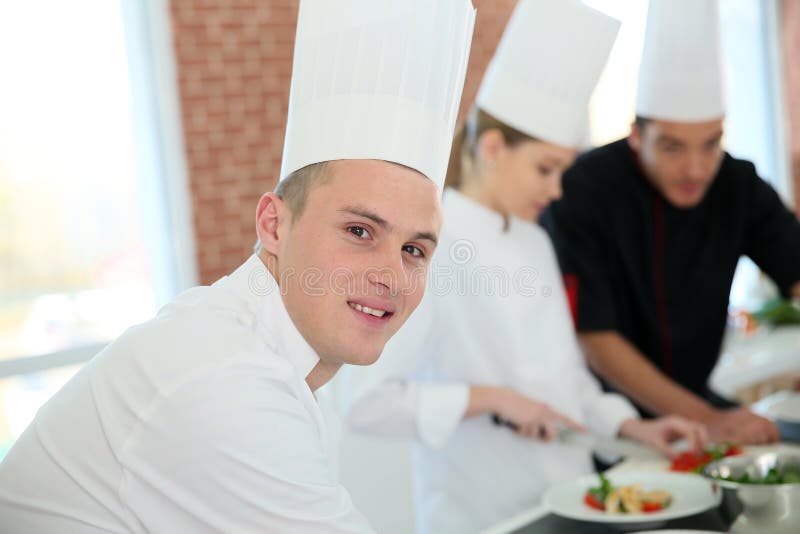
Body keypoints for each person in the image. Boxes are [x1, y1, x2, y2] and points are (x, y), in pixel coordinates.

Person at [0, 1, 476, 531]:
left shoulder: (274, 359)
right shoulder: (227, 376)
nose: (391, 275)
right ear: (273, 225)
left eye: (415, 250)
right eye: (360, 232)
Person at [346, 2, 706, 533]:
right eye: (546, 168)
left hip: (571, 501)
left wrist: (632, 427)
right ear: (493, 148)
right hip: (482, 518)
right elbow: (366, 404)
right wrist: (491, 399)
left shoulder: (535, 241)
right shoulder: (427, 248)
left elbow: (566, 380)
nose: (557, 189)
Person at [543, 0, 800, 446]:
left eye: (710, 144)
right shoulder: (583, 189)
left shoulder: (737, 182)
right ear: (636, 135)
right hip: (607, 419)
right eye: (673, 148)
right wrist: (707, 418)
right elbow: (595, 337)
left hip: (695, 395)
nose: (696, 170)